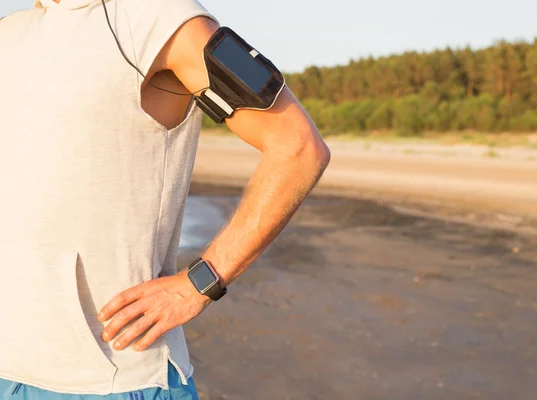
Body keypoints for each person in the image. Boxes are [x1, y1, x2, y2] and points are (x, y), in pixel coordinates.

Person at [0, 0, 330, 398]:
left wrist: (199, 284)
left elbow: (297, 147)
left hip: (113, 376)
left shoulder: (160, 17)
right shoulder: (10, 33)